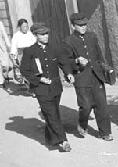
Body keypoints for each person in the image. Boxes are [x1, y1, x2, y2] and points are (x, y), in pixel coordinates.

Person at [61, 13, 112, 141]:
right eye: (80, 25)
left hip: (96, 75)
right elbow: (65, 62)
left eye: (85, 24)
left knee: (102, 105)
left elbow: (99, 54)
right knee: (86, 106)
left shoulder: (92, 36)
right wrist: (77, 61)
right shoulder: (68, 41)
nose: (83, 27)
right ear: (73, 26)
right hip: (81, 78)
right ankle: (82, 123)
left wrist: (105, 68)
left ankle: (105, 132)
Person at [20, 24, 71, 152]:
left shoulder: (54, 48)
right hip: (41, 89)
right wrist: (38, 79)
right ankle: (63, 141)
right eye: (42, 34)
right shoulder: (30, 51)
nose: (46, 36)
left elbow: (63, 62)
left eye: (47, 34)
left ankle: (51, 139)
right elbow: (24, 70)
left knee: (53, 113)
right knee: (51, 113)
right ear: (36, 36)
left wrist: (68, 73)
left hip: (56, 87)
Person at [0, 21, 11, 88]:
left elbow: (4, 34)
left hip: (1, 46)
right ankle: (1, 81)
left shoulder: (0, 23)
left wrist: (9, 45)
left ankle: (5, 74)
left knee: (5, 64)